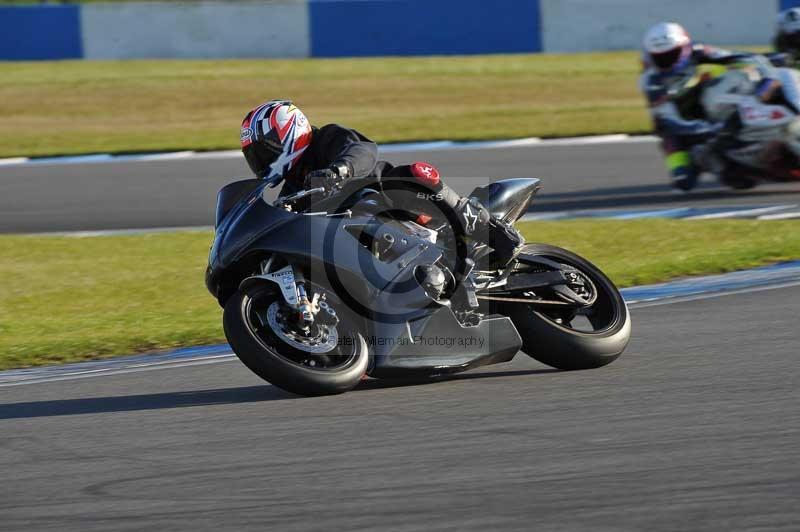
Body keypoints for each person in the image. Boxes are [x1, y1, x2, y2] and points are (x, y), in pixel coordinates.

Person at [239, 99, 523, 267]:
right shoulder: (292, 189)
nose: (262, 160)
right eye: (255, 156)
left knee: (416, 173)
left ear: (290, 131)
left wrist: (340, 169)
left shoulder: (327, 138)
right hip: (357, 238)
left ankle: (483, 224)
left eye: (266, 150)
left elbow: (363, 151)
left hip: (389, 196)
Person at [640, 22, 782, 191]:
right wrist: (707, 129)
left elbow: (736, 57)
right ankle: (693, 164)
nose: (666, 61)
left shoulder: (697, 50)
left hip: (704, 98)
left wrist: (765, 65)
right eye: (660, 57)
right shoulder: (651, 82)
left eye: (672, 54)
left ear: (684, 47)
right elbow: (670, 121)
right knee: (685, 180)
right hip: (682, 121)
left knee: (733, 83)